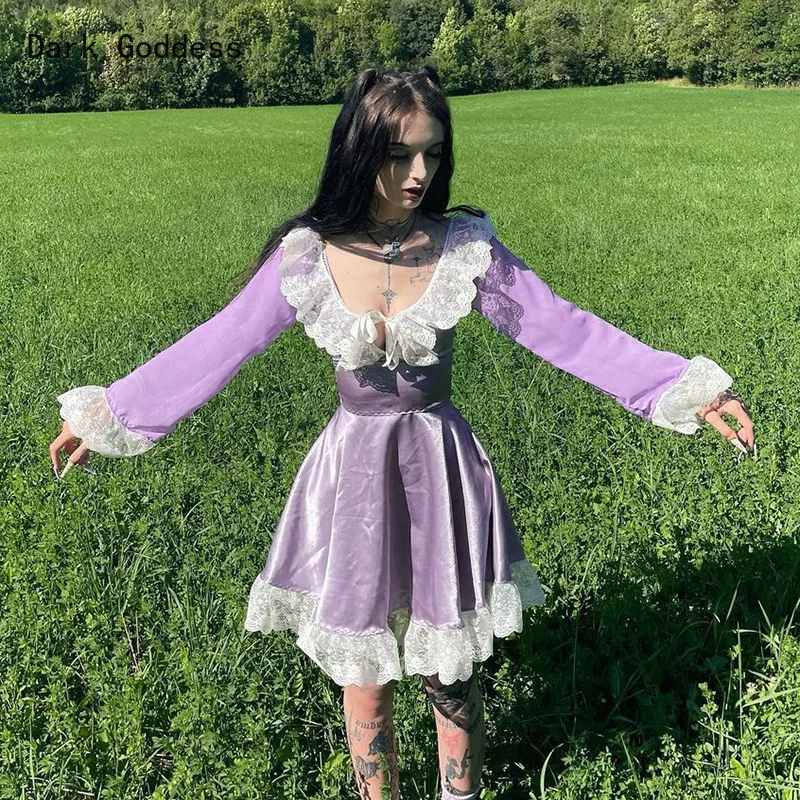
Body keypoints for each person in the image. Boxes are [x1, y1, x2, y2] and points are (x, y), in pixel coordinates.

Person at [50, 65, 756, 800]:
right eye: (399, 155)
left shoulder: (462, 250)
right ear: (360, 152)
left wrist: (686, 390)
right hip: (352, 483)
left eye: (433, 153)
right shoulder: (309, 256)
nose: (420, 173)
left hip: (441, 474)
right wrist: (109, 416)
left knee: (449, 670)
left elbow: (566, 330)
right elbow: (217, 344)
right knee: (365, 675)